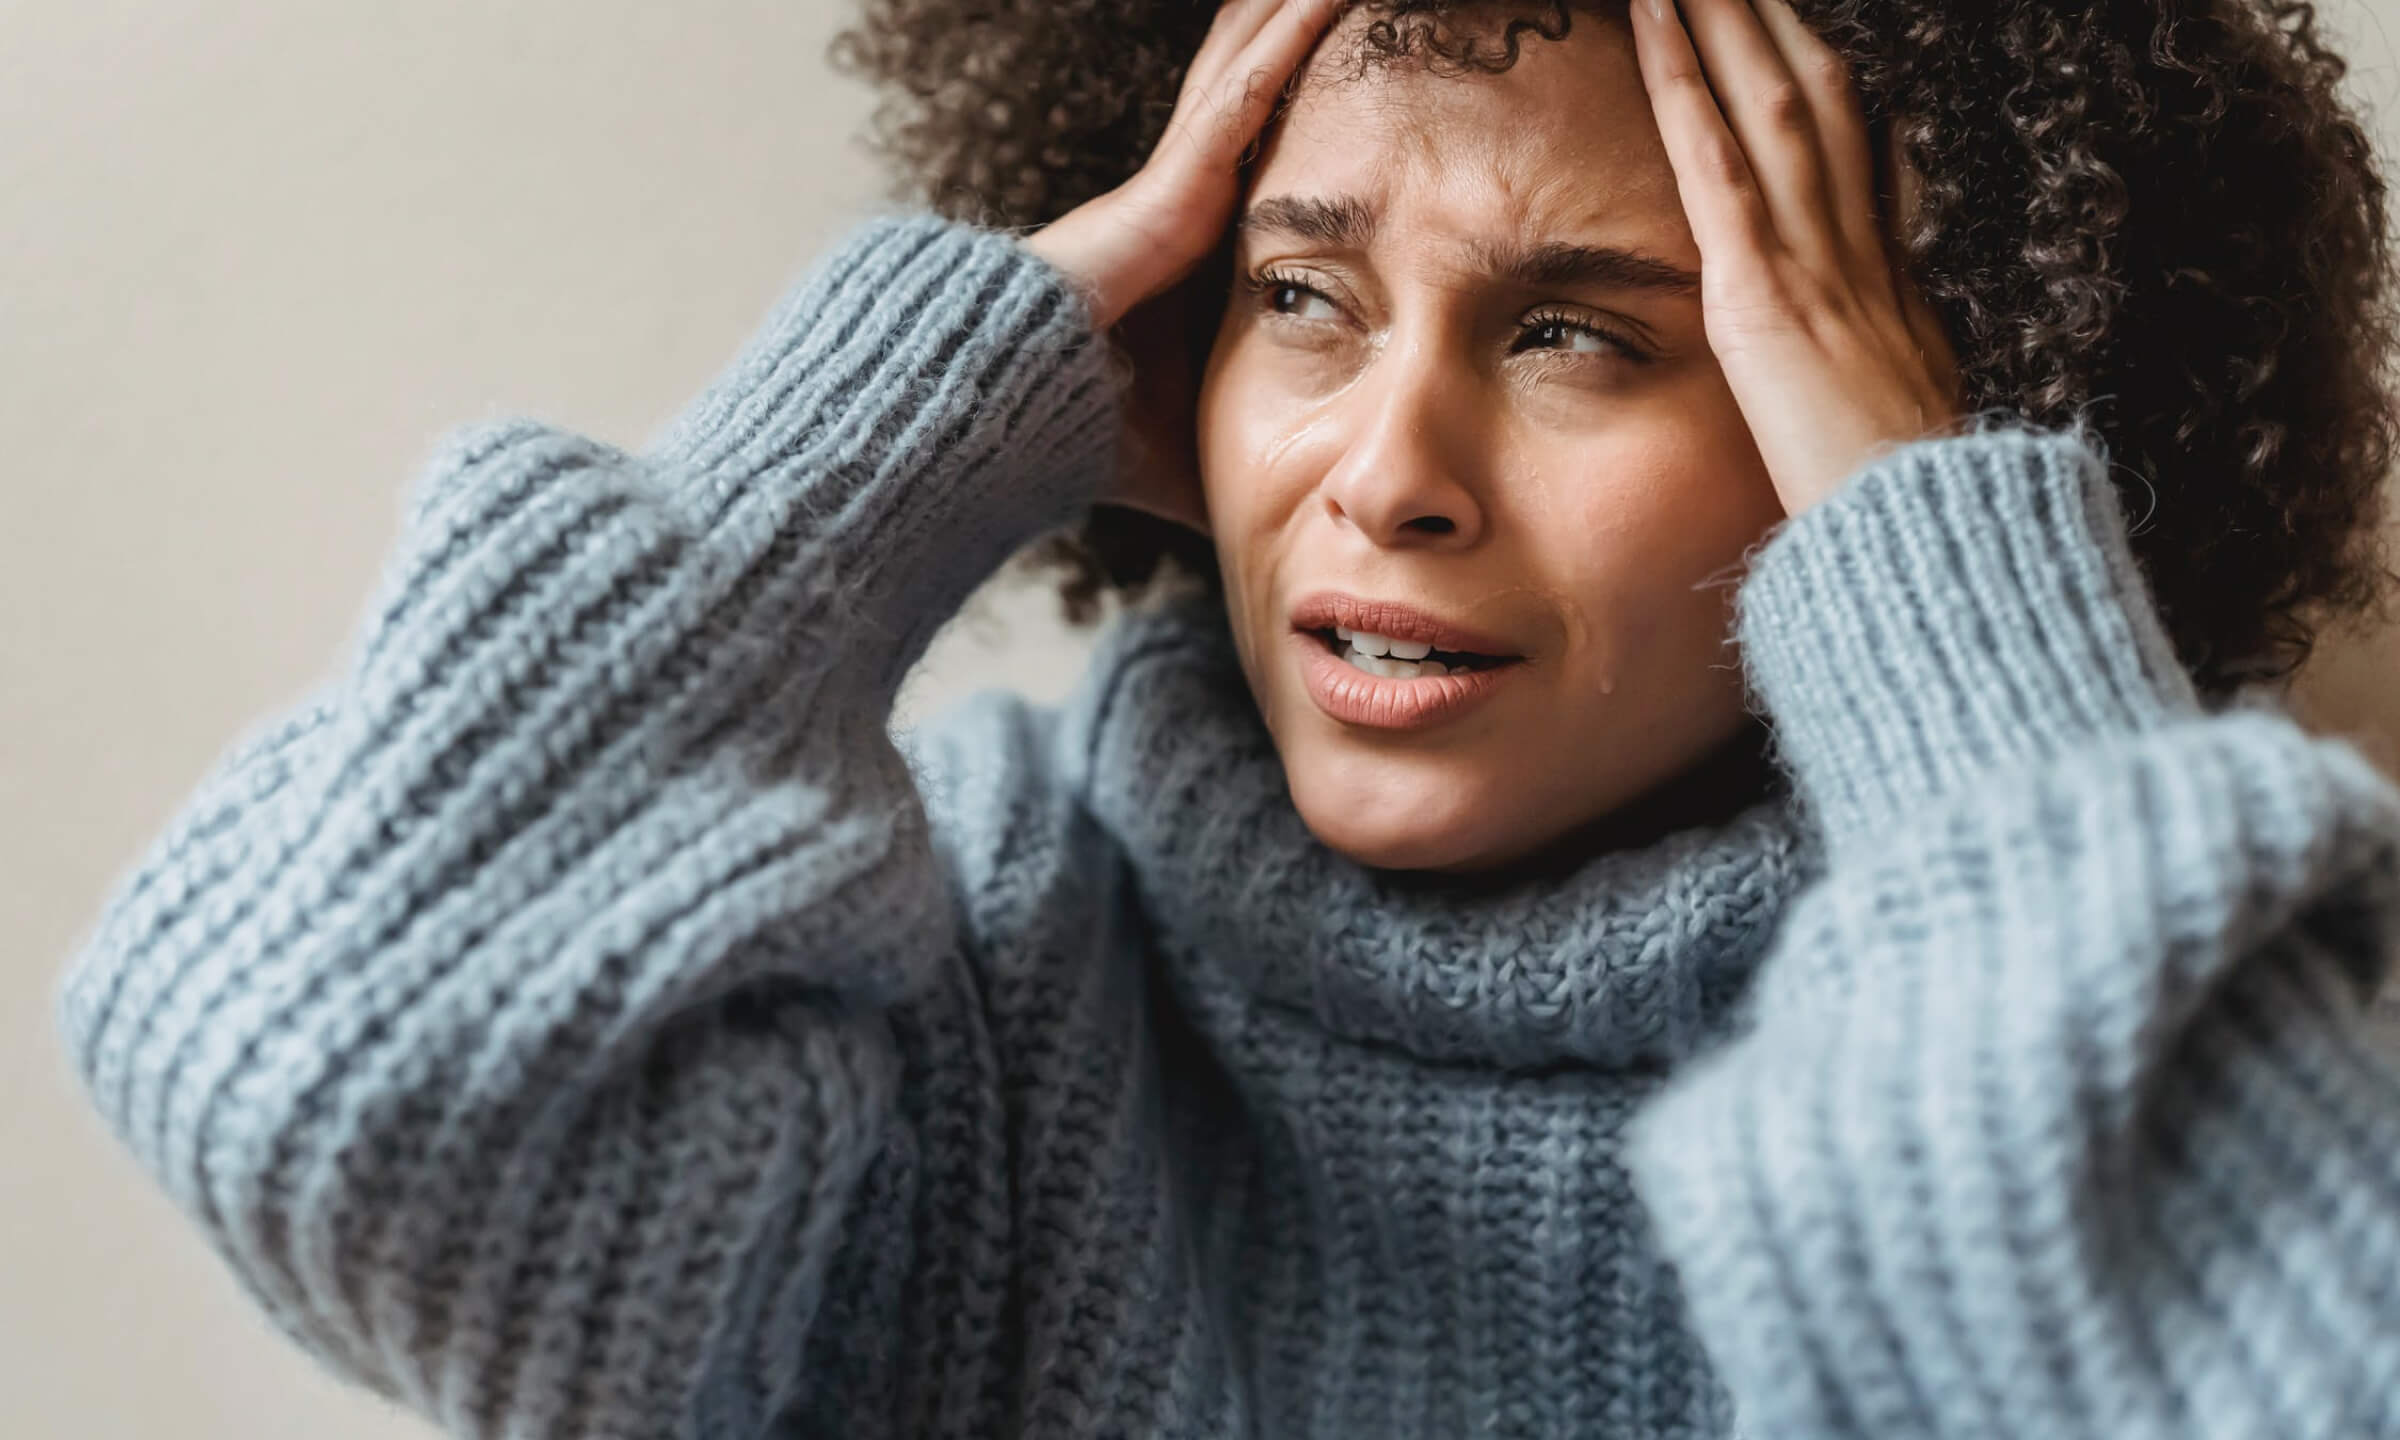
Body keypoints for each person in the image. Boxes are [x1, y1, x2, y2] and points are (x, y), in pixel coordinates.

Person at [54, 0, 2400, 1435]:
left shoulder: (2195, 1024)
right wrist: (879, 437)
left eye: (1578, 333)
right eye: (1301, 299)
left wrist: (1945, 611)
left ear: (1876, 416)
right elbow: (312, 1087)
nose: (1386, 471)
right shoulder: (964, 966)